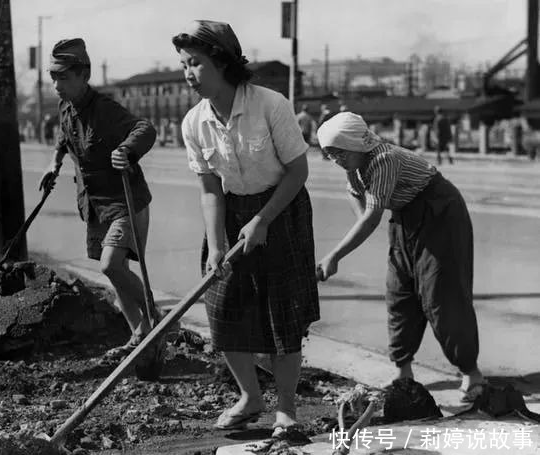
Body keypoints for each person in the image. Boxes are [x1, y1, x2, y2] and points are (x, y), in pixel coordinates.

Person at [172, 20, 320, 431]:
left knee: (282, 316)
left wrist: (262, 220)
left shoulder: (270, 104)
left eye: (196, 63)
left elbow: (297, 172)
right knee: (223, 310)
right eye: (184, 64)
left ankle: (286, 409)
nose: (188, 73)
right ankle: (250, 397)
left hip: (281, 209)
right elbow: (209, 190)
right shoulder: (193, 123)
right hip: (231, 213)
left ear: (222, 62)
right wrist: (217, 244)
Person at [316, 112, 485, 403]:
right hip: (405, 217)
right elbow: (357, 200)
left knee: (442, 295)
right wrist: (363, 217)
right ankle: (403, 371)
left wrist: (334, 255)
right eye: (329, 154)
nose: (336, 159)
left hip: (440, 213)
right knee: (399, 291)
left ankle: (471, 373)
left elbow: (371, 218)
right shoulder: (354, 166)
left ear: (356, 145)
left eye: (339, 152)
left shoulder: (383, 159)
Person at [38, 38, 161, 362]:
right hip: (94, 205)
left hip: (125, 202)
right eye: (52, 77)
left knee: (110, 264)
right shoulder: (67, 108)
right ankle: (140, 338)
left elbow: (145, 129)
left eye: (63, 77)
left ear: (84, 75)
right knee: (114, 270)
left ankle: (159, 322)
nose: (56, 85)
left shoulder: (104, 109)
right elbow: (63, 138)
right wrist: (54, 163)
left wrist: (126, 150)